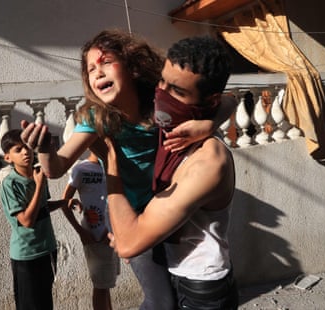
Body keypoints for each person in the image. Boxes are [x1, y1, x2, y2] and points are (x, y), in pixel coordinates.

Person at [20, 29, 238, 309]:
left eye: (106, 62)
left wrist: (210, 123)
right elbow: (56, 168)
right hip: (130, 215)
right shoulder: (96, 118)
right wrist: (44, 149)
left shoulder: (159, 102)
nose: (97, 72)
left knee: (175, 290)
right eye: (90, 69)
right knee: (160, 301)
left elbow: (228, 97)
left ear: (132, 67)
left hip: (163, 210)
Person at [105, 36, 239, 309]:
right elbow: (230, 99)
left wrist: (110, 162)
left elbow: (129, 244)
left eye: (176, 90)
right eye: (162, 81)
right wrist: (209, 122)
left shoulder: (208, 162)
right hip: (173, 268)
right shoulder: (175, 124)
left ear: (207, 99)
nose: (162, 93)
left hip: (202, 290)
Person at [0, 129, 80, 310]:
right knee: (30, 305)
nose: (26, 152)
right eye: (18, 150)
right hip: (27, 255)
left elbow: (42, 208)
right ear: (8, 158)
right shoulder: (10, 184)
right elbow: (27, 221)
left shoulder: (38, 174)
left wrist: (64, 202)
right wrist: (38, 186)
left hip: (47, 249)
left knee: (45, 303)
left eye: (27, 148)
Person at [61, 151, 120, 310]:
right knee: (100, 286)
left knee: (106, 285)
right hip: (95, 237)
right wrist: (81, 231)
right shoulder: (81, 169)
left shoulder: (113, 166)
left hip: (113, 235)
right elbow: (64, 202)